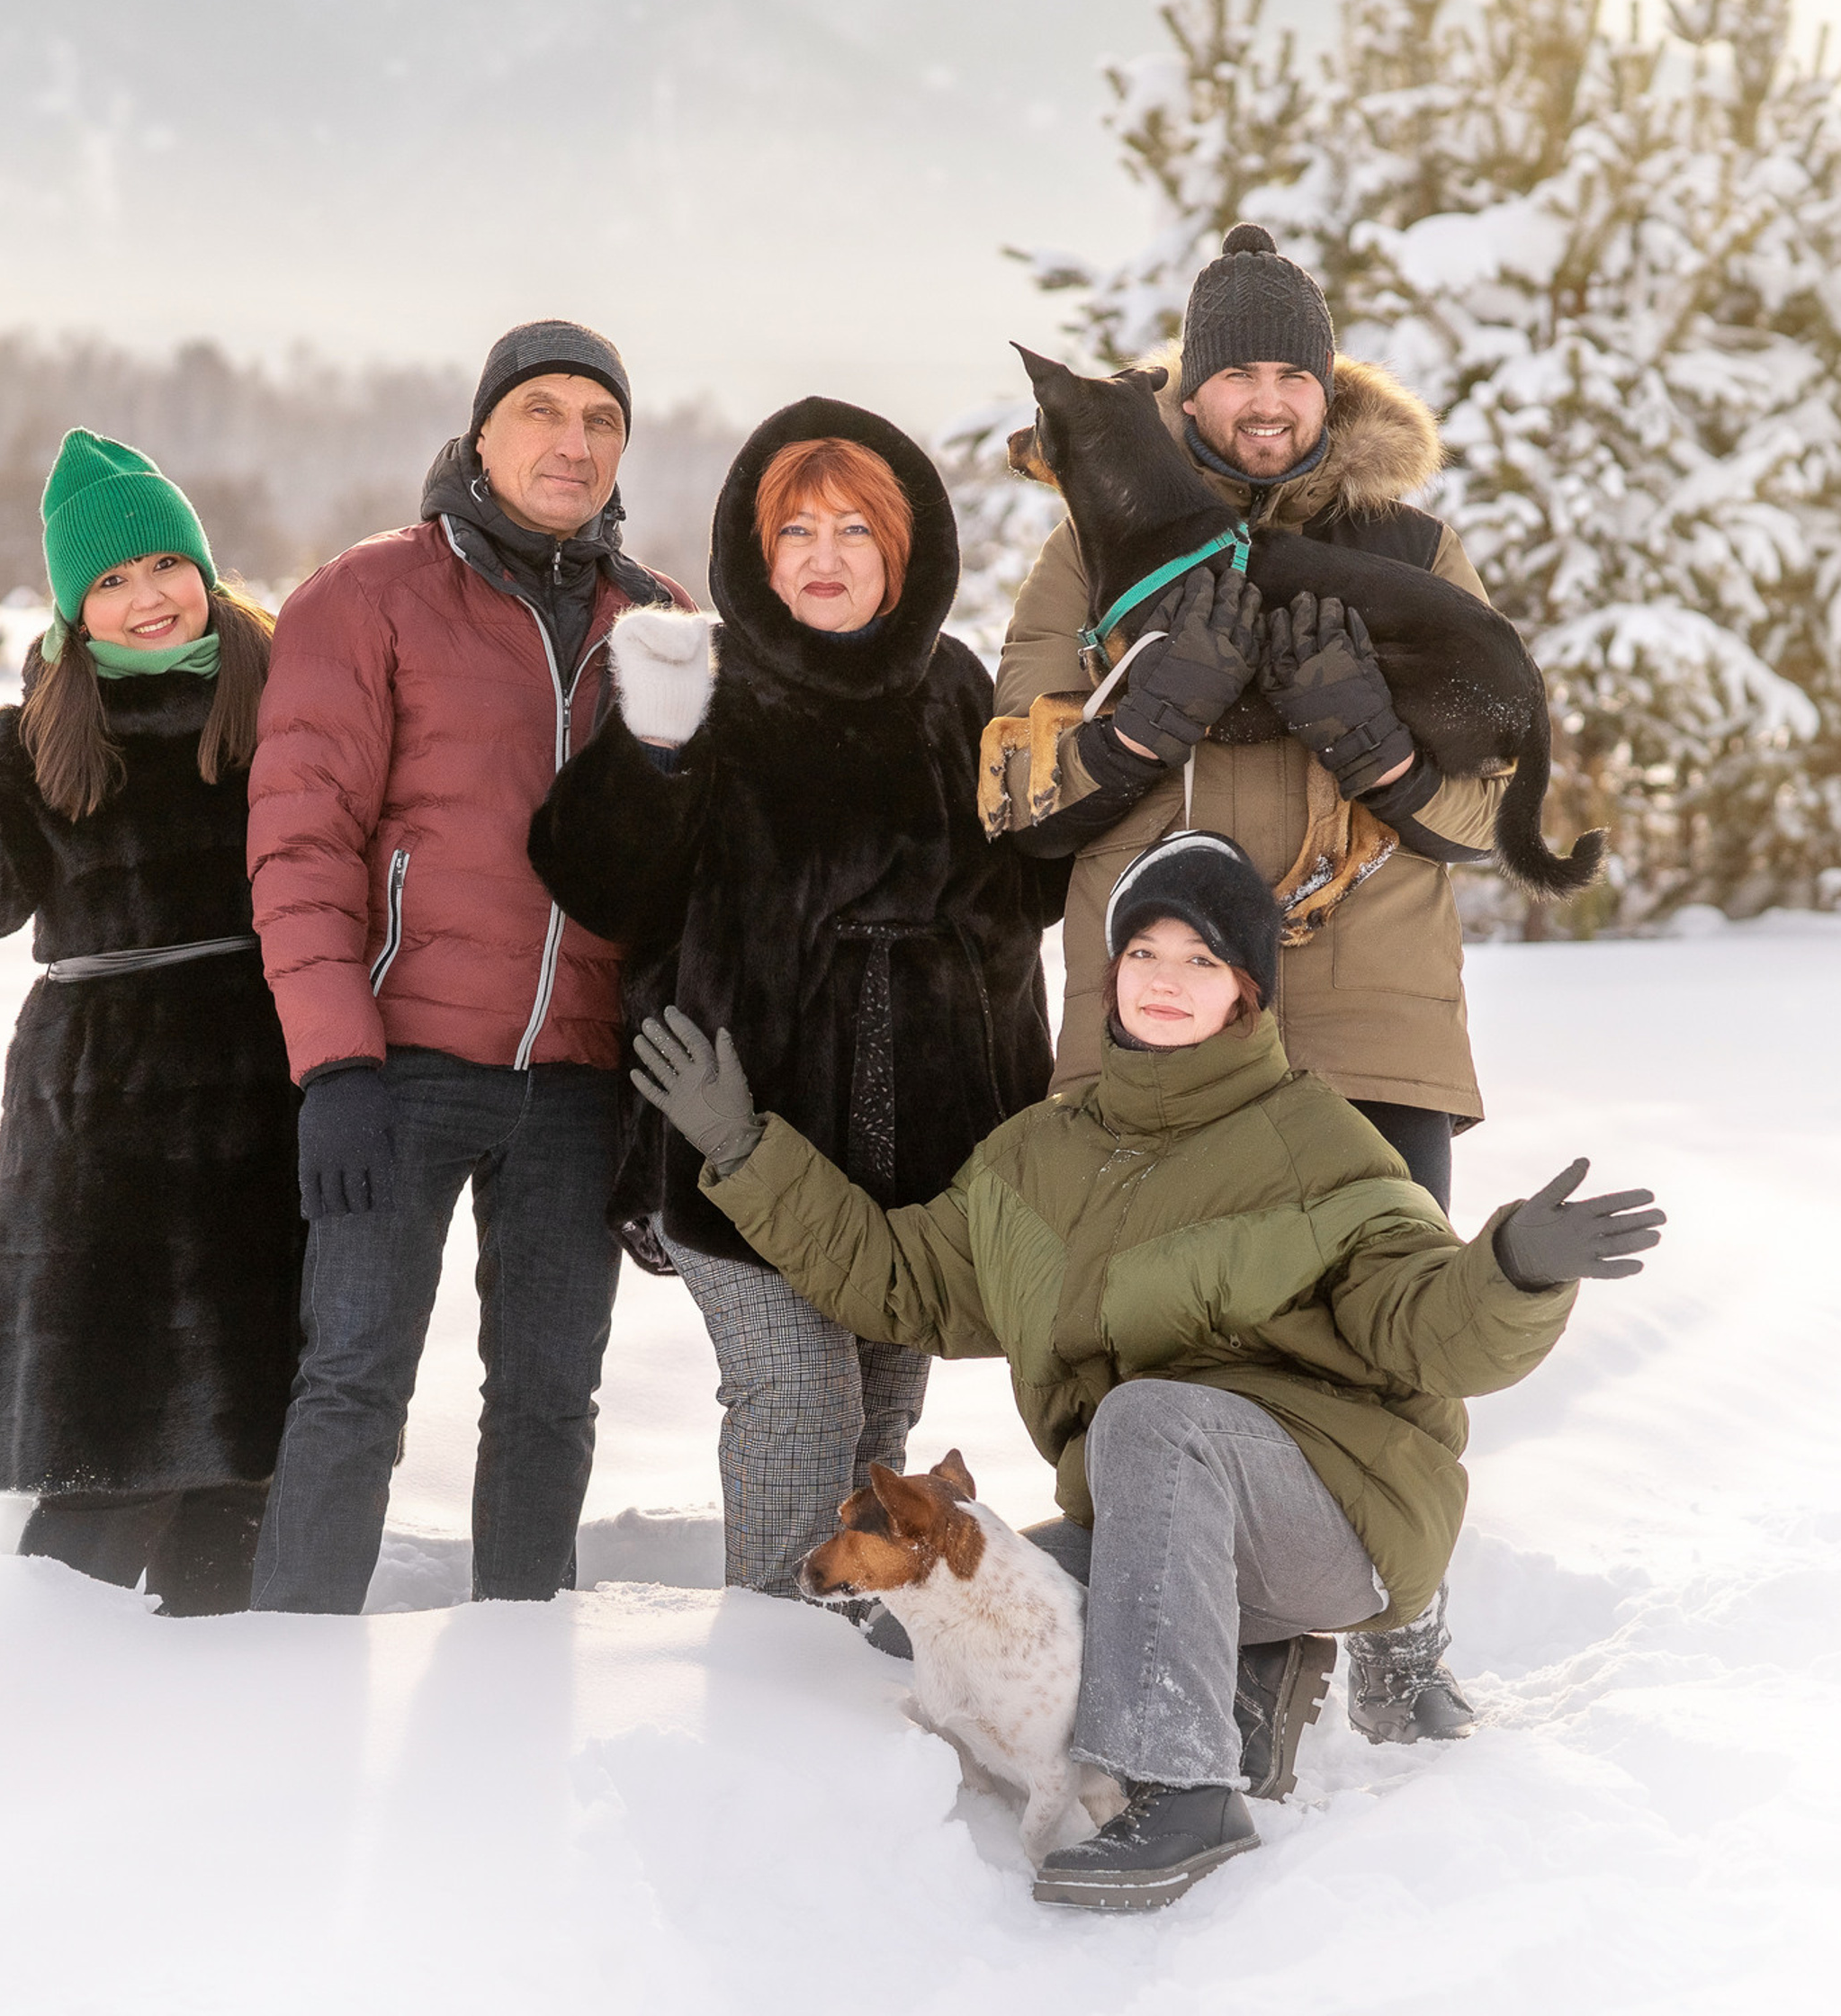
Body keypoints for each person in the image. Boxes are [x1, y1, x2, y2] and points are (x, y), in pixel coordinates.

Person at [632, 830, 1663, 1908]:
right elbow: (900, 1279)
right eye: (1144, 953)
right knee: (944, 1615)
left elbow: (1421, 1323)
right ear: (1110, 971)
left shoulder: (1318, 1143)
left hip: (1336, 1519)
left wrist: (1510, 1270)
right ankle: (1250, 1674)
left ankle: (1181, 1787)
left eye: (1201, 959)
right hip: (1156, 1522)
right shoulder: (1038, 1155)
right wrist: (742, 1148)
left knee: (1146, 1418)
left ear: (1246, 989)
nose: (1166, 980)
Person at [992, 221, 1508, 1742]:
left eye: (1294, 373)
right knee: (1141, 1324)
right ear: (1190, 389)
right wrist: (1136, 727)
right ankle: (1187, 1613)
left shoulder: (1412, 548)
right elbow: (1009, 785)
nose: (1267, 401)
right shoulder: (1095, 543)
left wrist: (1380, 749)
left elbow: (1491, 794)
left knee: (1391, 1324)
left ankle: (1401, 1625)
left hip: (1367, 1011)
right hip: (1154, 1008)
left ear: (1325, 388)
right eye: (1239, 375)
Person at [528, 399, 1059, 1605]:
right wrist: (653, 750)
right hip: (737, 1134)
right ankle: (772, 1660)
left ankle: (859, 1661)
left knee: (879, 1419)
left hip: (929, 1161)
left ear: (902, 549)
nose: (825, 557)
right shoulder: (710, 686)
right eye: (797, 531)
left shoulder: (955, 688)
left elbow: (1029, 897)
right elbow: (600, 885)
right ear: (757, 554)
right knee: (797, 1388)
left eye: (854, 530)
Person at [247, 321, 691, 1615]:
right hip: (399, 1069)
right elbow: (301, 845)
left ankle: (519, 1666)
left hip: (577, 1085)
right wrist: (335, 1063)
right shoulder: (368, 595)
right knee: (353, 1384)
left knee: (551, 1399)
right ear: (483, 431)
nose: (574, 441)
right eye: (542, 410)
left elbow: (683, 873)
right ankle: (287, 1671)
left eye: (601, 420)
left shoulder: (658, 623)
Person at [0, 432, 301, 1615]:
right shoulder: (43, 732)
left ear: (204, 566)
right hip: (104, 1126)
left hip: (272, 1104)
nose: (148, 597)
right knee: (104, 1456)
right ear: (72, 607)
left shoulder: (288, 696)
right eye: (111, 579)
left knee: (255, 1457)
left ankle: (247, 1701)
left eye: (165, 564)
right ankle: (32, 1687)